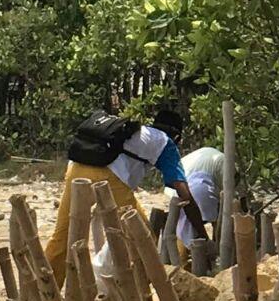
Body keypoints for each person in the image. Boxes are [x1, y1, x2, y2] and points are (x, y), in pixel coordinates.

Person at [46, 107, 211, 289]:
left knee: (63, 235)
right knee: (142, 236)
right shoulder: (165, 143)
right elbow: (184, 194)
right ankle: (130, 291)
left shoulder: (135, 133)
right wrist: (203, 235)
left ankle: (45, 293)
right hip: (107, 175)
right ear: (177, 136)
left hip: (76, 167)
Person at [173, 146, 224, 265]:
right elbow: (193, 211)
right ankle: (191, 260)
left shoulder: (218, 163)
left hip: (183, 180)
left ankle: (188, 257)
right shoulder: (222, 164)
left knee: (183, 226)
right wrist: (206, 239)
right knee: (189, 224)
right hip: (188, 184)